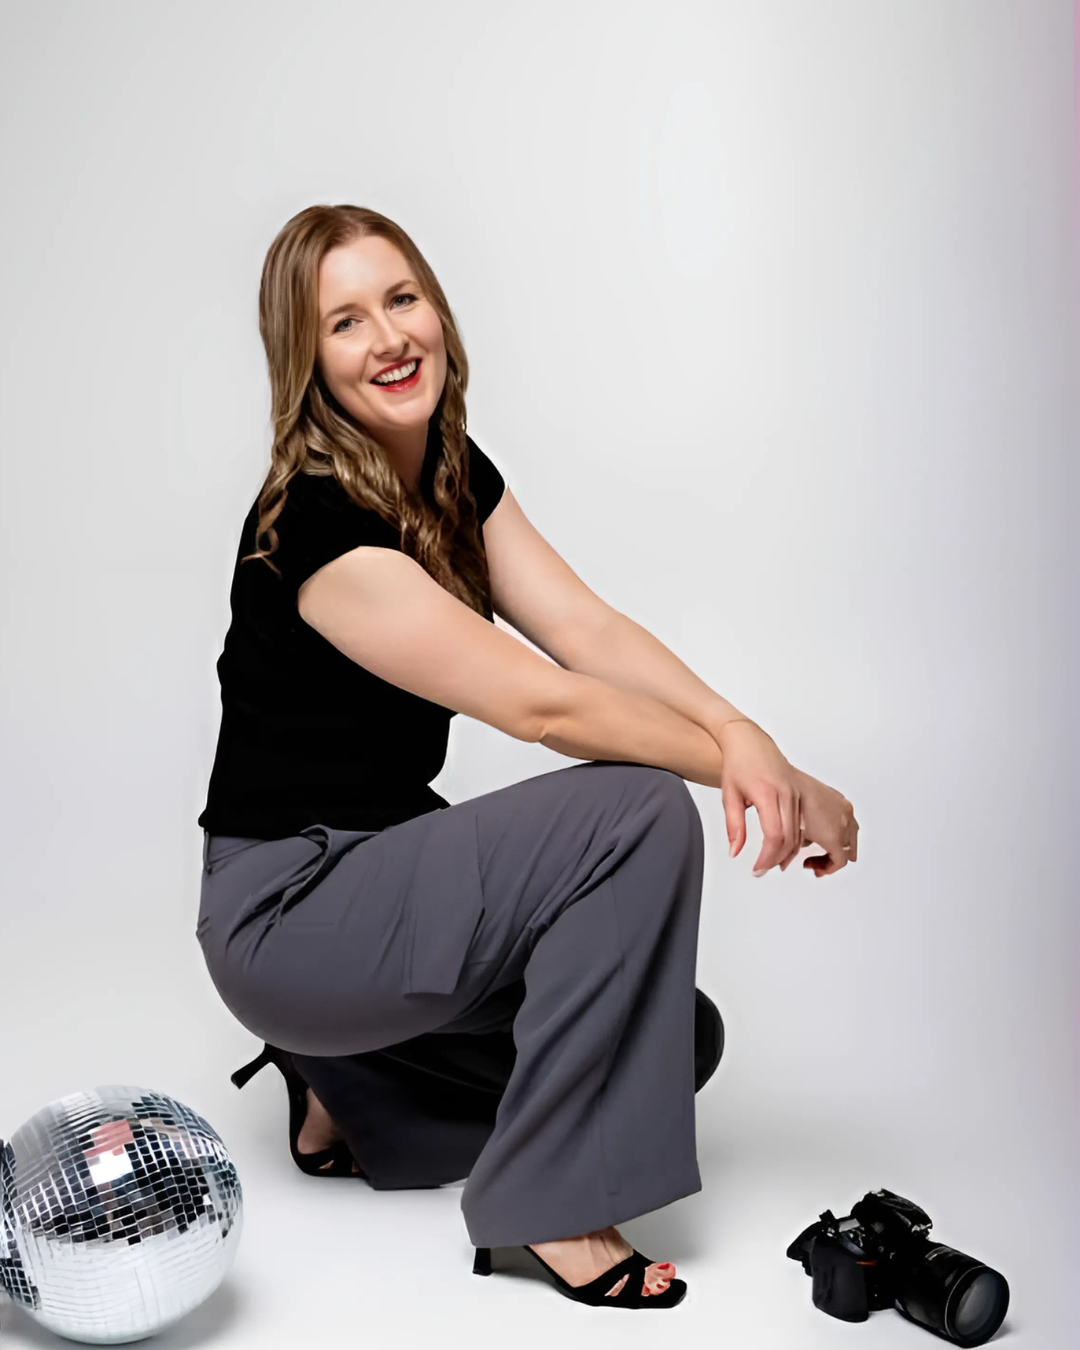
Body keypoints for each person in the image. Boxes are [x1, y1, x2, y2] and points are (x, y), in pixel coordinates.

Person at [195, 204, 859, 1310]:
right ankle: (549, 1205)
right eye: (345, 322)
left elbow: (585, 632)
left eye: (402, 298)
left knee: (673, 1044)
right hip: (289, 914)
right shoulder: (317, 526)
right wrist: (753, 777)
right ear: (305, 360)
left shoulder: (447, 471)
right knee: (638, 812)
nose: (389, 337)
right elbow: (542, 705)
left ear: (439, 308)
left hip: (376, 886)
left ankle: (348, 1089)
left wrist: (748, 735)